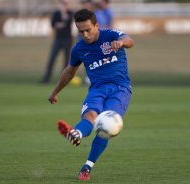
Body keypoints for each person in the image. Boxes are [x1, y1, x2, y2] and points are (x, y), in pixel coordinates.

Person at [48, 9, 134, 181]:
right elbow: (69, 72)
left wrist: (121, 43)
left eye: (88, 30)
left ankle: (87, 167)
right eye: (81, 31)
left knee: (106, 126)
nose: (85, 35)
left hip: (120, 89)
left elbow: (129, 40)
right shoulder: (79, 48)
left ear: (96, 25)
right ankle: (76, 135)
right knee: (91, 115)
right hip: (97, 89)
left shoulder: (110, 35)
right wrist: (55, 91)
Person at [41, 0, 73, 84]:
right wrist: (60, 23)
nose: (64, 6)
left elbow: (66, 23)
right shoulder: (56, 13)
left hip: (67, 39)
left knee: (66, 60)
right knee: (52, 58)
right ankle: (46, 78)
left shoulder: (70, 13)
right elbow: (53, 24)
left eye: (65, 4)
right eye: (62, 4)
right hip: (58, 39)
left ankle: (64, 80)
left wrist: (62, 17)